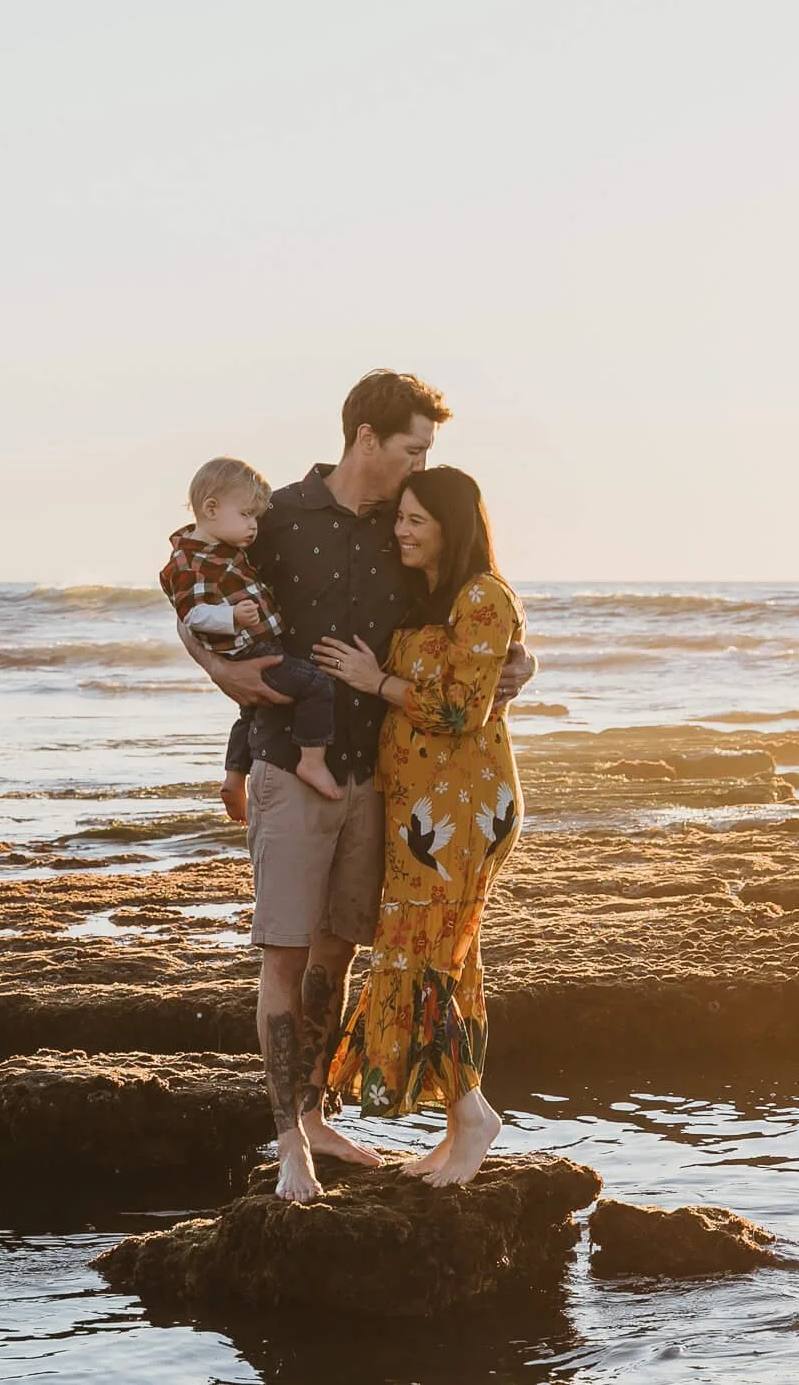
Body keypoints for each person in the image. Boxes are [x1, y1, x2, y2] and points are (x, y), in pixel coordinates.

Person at [178, 370, 534, 1202]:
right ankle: (289, 1148)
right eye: (413, 448)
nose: (421, 466)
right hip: (289, 765)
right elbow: (196, 581)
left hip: (380, 780)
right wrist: (215, 668)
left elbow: (475, 603)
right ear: (367, 439)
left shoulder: (406, 529)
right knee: (284, 954)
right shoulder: (277, 517)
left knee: (337, 953)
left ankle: (316, 1114)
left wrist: (521, 658)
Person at [314, 466, 521, 1187]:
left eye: (415, 521)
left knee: (420, 956)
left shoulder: (483, 597)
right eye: (398, 518)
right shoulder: (425, 598)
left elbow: (463, 706)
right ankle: (461, 1126)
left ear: (450, 528)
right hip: (419, 811)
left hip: (465, 808)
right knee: (446, 959)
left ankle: (473, 1119)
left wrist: (376, 681)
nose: (400, 531)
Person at [159, 457, 343, 804]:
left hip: (254, 644)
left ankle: (233, 777)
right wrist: (231, 617)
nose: (254, 526)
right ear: (211, 509)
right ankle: (312, 761)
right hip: (249, 649)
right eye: (245, 515)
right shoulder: (189, 562)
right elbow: (192, 615)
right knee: (317, 685)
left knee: (252, 712)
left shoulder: (223, 549)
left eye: (255, 517)